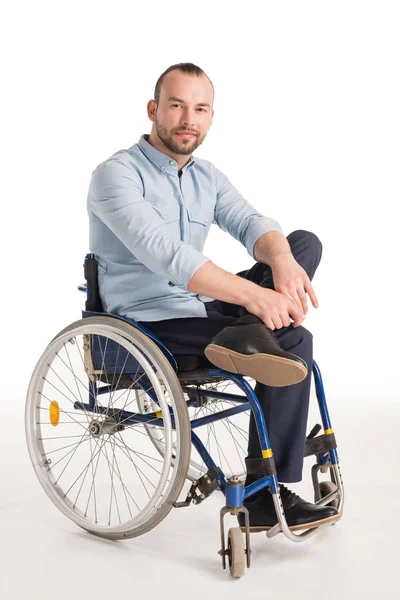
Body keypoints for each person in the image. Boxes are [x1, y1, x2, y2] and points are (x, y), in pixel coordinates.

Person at [87, 62, 340, 531]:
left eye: (200, 108)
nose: (188, 118)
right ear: (153, 110)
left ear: (210, 117)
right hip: (145, 323)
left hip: (200, 308)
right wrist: (255, 297)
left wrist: (281, 262)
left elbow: (249, 223)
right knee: (295, 342)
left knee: (302, 244)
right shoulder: (115, 176)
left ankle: (250, 331)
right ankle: (266, 497)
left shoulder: (207, 176)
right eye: (177, 105)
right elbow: (169, 256)